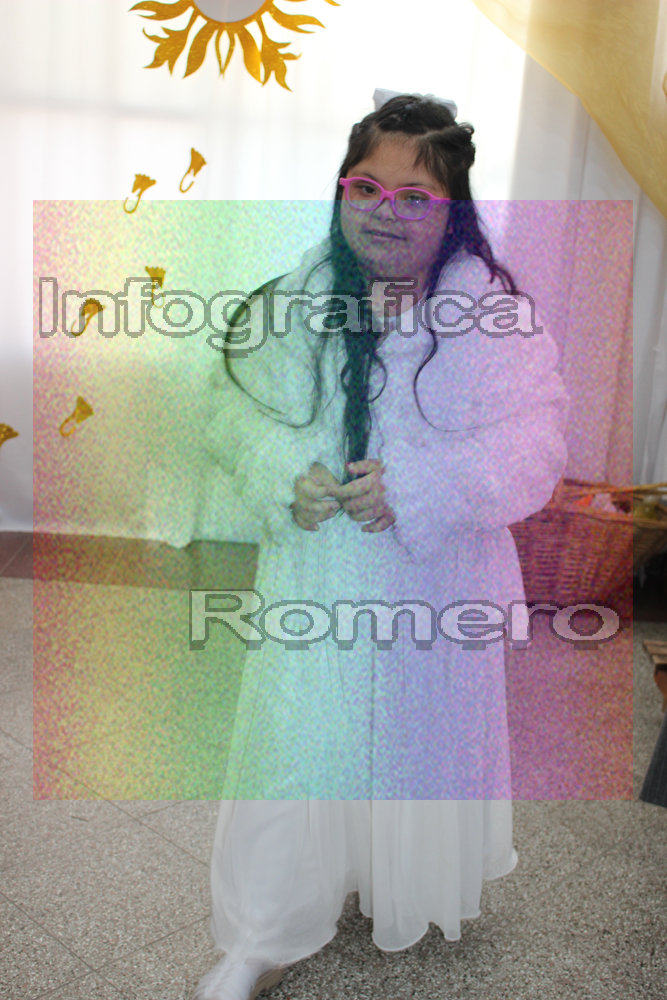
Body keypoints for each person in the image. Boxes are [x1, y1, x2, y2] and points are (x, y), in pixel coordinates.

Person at [194, 91, 570, 1000]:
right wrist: (281, 470)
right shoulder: (295, 297)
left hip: (433, 579)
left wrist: (422, 488)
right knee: (298, 735)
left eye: (414, 197)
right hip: (317, 573)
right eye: (365, 187)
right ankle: (268, 927)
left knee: (415, 736)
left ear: (452, 211)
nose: (384, 212)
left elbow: (536, 447)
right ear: (341, 189)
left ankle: (388, 872)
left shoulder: (492, 317)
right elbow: (226, 409)